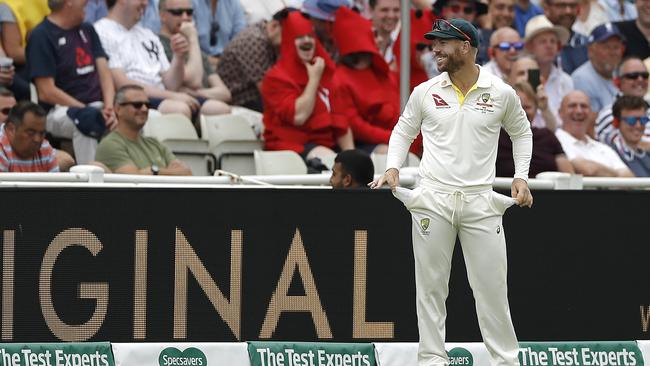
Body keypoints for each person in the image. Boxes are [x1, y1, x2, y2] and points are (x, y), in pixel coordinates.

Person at [371, 18, 533, 366]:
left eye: (442, 43)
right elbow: (403, 131)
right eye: (434, 42)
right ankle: (431, 359)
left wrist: (521, 175)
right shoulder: (425, 92)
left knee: (491, 290)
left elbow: (521, 133)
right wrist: (393, 167)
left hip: (481, 200)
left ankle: (506, 361)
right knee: (431, 288)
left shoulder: (501, 92)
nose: (435, 49)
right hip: (433, 197)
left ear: (465, 46)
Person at [26, 0, 116, 165]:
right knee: (88, 120)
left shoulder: (88, 29)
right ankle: (91, 180)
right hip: (58, 110)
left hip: (98, 106)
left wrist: (110, 108)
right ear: (69, 2)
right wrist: (86, 109)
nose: (87, 2)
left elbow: (105, 72)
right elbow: (46, 91)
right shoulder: (42, 35)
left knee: (131, 112)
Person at [260, 11, 353, 160]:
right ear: (290, 40)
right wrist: (314, 79)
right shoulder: (275, 78)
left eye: (310, 36)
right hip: (291, 149)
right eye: (299, 37)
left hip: (326, 147)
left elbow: (341, 123)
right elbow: (299, 116)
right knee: (331, 161)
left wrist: (352, 156)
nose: (307, 41)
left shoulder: (326, 72)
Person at [94, 0, 201, 120]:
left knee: (217, 109)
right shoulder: (101, 31)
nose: (145, 3)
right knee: (180, 110)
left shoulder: (148, 34)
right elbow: (121, 84)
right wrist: (173, 96)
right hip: (133, 100)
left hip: (163, 96)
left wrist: (178, 56)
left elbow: (171, 84)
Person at [332, 6, 399, 154]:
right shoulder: (340, 78)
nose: (379, 39)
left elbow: (396, 108)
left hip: (392, 138)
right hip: (364, 145)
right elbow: (356, 127)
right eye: (373, 34)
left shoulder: (380, 71)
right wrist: (394, 137)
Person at [95, 85, 192, 175]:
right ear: (118, 109)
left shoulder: (154, 143)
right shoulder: (110, 145)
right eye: (137, 105)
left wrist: (153, 171)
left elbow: (187, 174)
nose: (144, 109)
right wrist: (169, 172)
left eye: (147, 105)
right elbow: (135, 181)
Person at [158, 0, 231, 114]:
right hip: (179, 109)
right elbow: (194, 80)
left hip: (202, 106)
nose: (185, 17)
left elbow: (224, 93)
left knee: (220, 109)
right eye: (177, 12)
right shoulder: (158, 44)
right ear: (163, 16)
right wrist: (192, 37)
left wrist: (197, 93)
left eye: (189, 12)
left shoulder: (195, 49)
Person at [496, 81, 573, 177]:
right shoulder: (495, 137)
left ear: (536, 109)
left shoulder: (547, 136)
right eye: (517, 107)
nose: (522, 112)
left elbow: (569, 176)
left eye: (527, 107)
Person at [216, 7, 285, 112]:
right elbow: (268, 91)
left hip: (253, 95)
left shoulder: (267, 34)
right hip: (240, 99)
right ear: (274, 26)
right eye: (288, 34)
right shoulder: (255, 40)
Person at [555, 91, 634, 176]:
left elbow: (629, 176)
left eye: (584, 106)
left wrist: (600, 171)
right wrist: (616, 175)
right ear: (560, 112)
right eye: (572, 106)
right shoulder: (554, 142)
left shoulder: (603, 148)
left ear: (591, 114)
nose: (579, 111)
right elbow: (589, 170)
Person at [524, 15, 573, 124]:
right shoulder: (520, 76)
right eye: (543, 41)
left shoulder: (566, 80)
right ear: (530, 47)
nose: (549, 46)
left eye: (553, 41)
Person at [596, 57, 650, 148]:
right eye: (633, 76)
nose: (640, 80)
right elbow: (623, 146)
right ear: (617, 81)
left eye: (644, 76)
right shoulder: (609, 114)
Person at [571, 22, 624, 113]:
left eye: (616, 47)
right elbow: (591, 120)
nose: (612, 53)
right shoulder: (582, 78)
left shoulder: (620, 72)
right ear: (591, 50)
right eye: (606, 47)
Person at [0, 101, 59, 173]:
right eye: (31, 133)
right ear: (11, 129)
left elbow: (54, 183)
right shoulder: (1, 149)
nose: (37, 139)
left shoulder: (45, 148)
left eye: (42, 133)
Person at [541, 0, 588, 74]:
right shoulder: (535, 44)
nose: (568, 11)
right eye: (561, 6)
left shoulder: (586, 44)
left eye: (572, 6)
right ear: (546, 7)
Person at [608, 95, 650, 176]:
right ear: (616, 122)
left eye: (643, 120)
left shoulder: (647, 154)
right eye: (631, 120)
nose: (638, 125)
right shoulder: (608, 154)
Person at [369, 0, 400, 65]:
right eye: (384, 10)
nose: (391, 16)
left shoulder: (402, 46)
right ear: (371, 10)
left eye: (396, 10)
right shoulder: (359, 41)